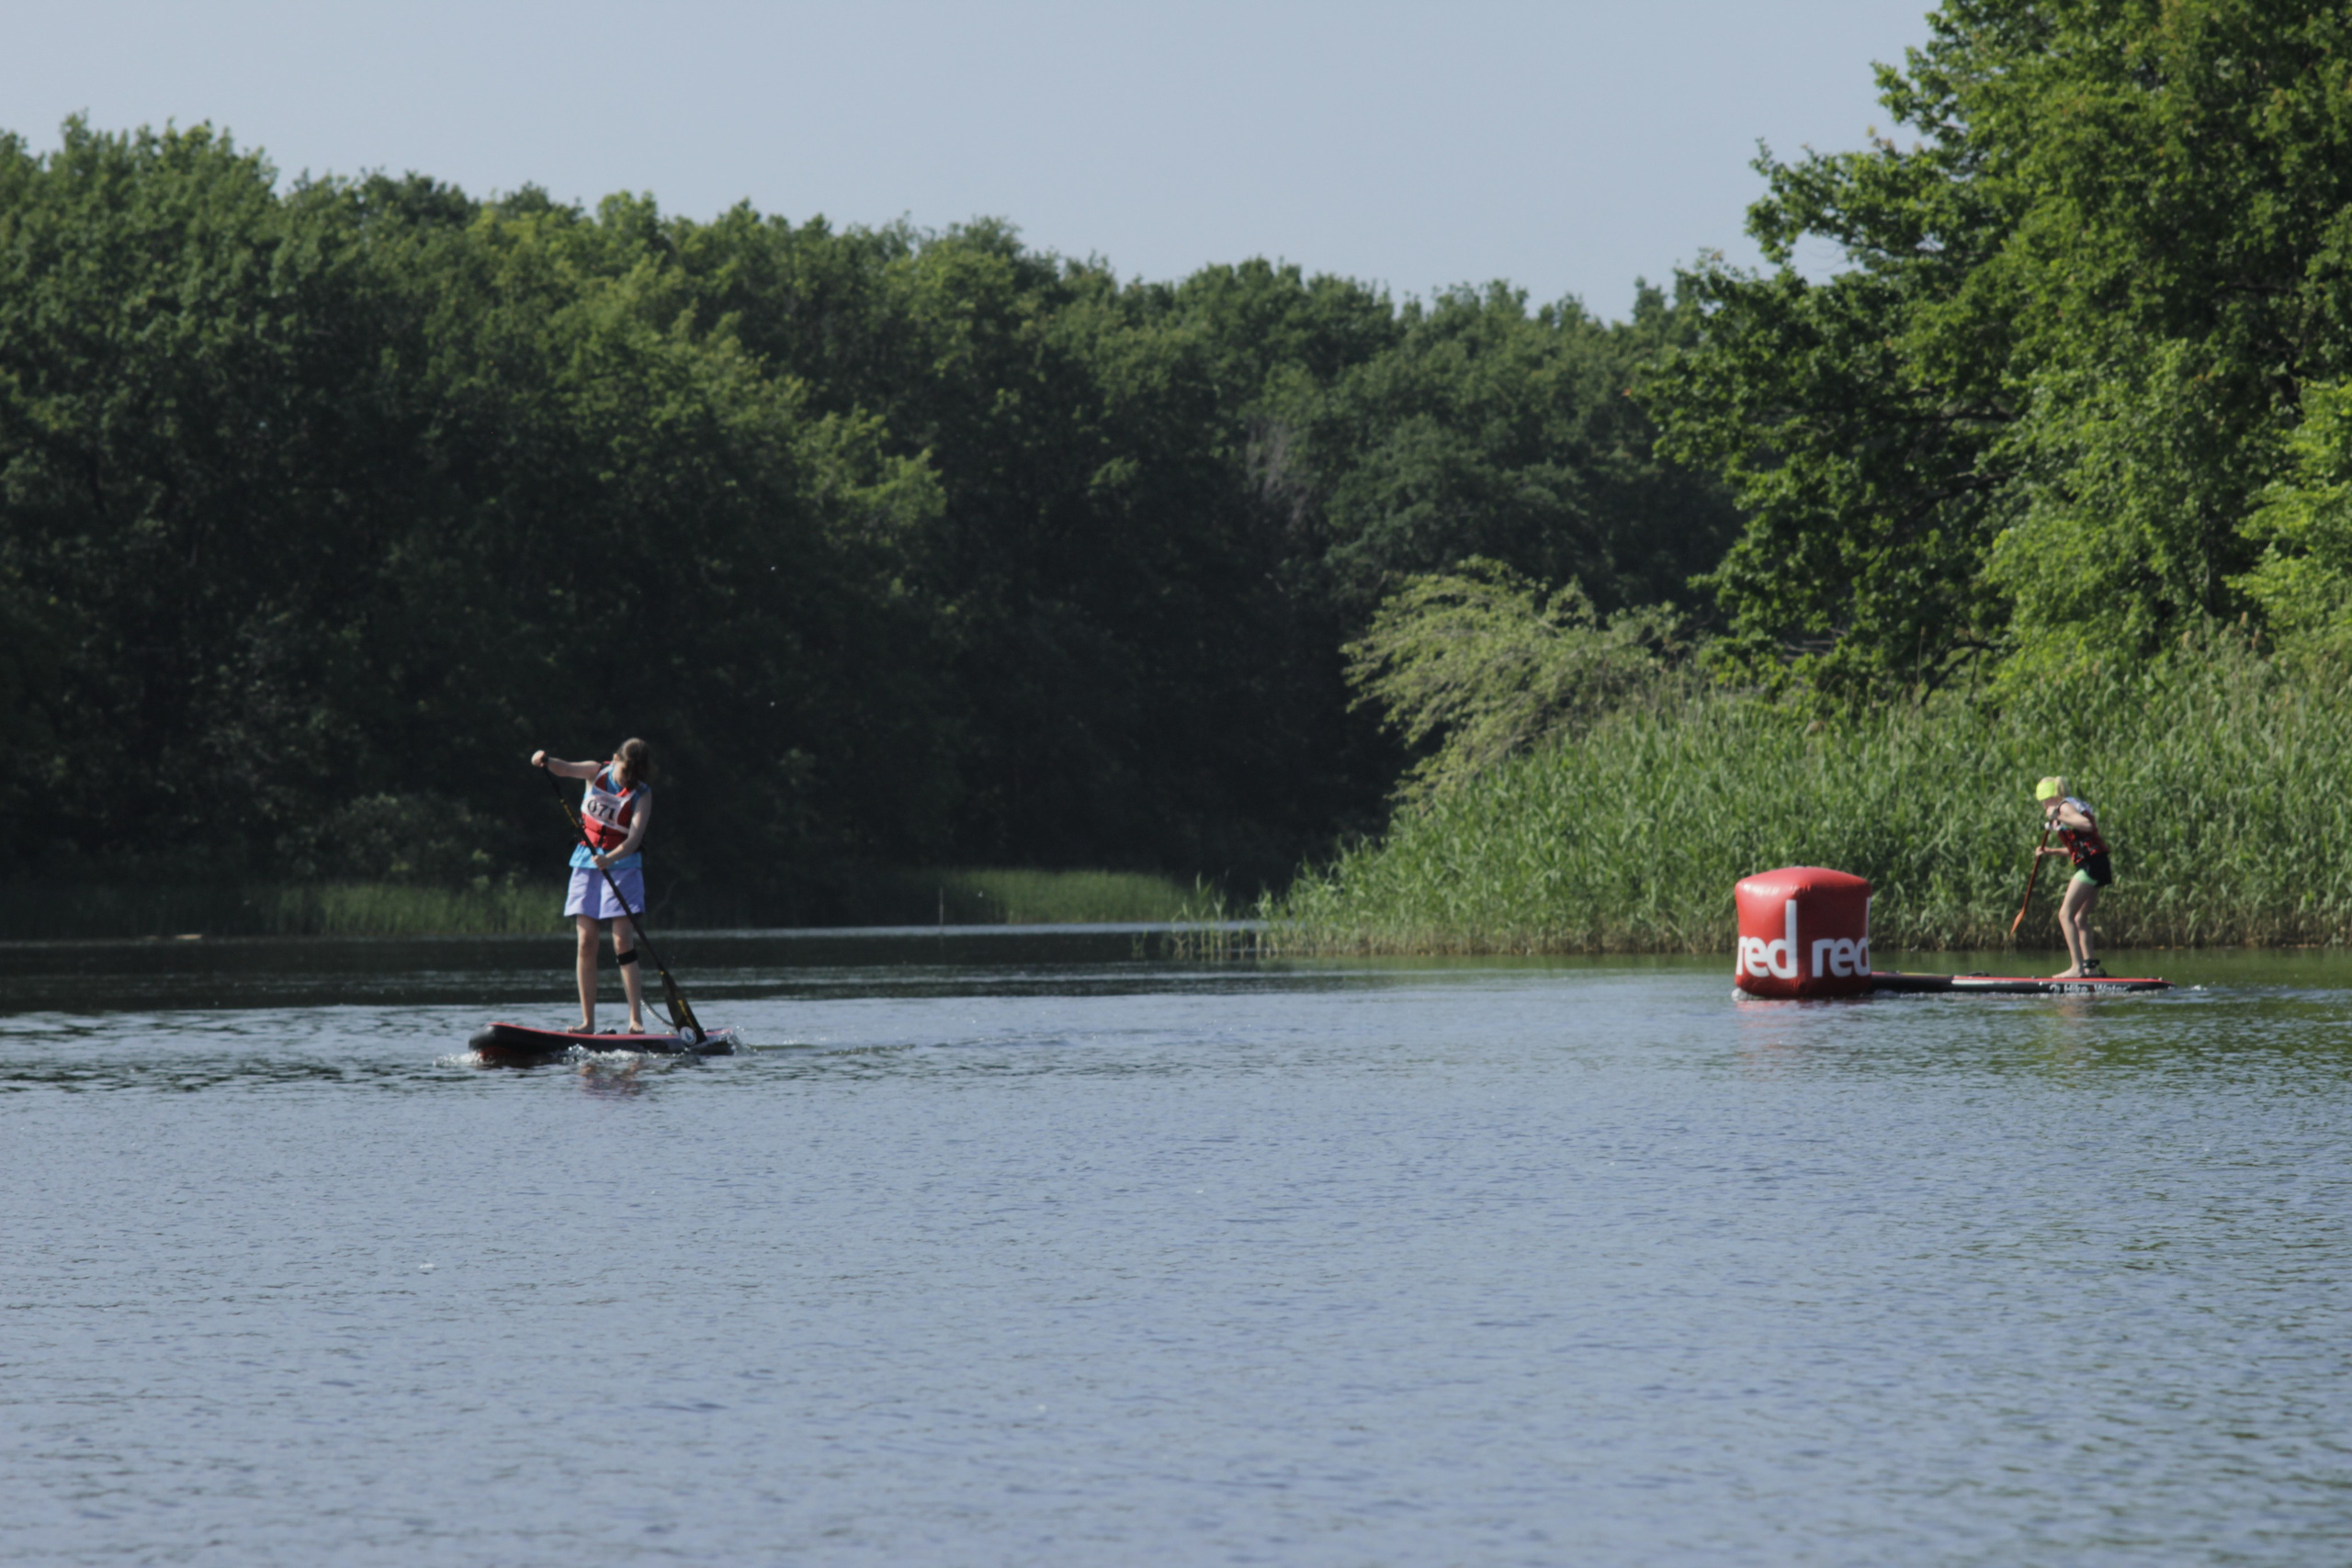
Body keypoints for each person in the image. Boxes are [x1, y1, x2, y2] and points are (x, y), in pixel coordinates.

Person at [531, 739, 655, 1032]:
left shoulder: (643, 794)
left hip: (622, 867)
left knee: (622, 940)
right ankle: (588, 1022)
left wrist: (609, 859)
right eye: (625, 771)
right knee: (586, 941)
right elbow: (564, 769)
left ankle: (635, 1020)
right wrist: (545, 759)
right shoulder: (596, 771)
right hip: (586, 864)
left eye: (634, 774)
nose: (628, 779)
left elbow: (634, 839)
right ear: (615, 759)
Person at [2034, 774, 2112, 979]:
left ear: (2049, 797)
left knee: (2064, 914)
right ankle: (2090, 969)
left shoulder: (2064, 807)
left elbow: (2085, 825)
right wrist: (2050, 852)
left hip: (2091, 866)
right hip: (2098, 862)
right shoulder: (2070, 806)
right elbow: (2078, 848)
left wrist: (2058, 816)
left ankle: (2076, 968)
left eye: (2043, 801)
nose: (2042, 805)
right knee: (2080, 918)